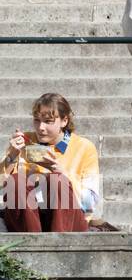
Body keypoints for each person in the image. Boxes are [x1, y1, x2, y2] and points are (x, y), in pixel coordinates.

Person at [2, 94, 100, 233]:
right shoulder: (23, 142)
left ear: (64, 121)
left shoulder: (84, 147)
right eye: (37, 120)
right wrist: (11, 157)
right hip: (27, 220)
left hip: (69, 220)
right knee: (16, 180)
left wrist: (63, 175)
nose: (41, 127)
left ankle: (58, 246)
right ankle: (33, 244)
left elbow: (89, 203)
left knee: (57, 180)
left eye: (48, 121)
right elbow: (3, 190)